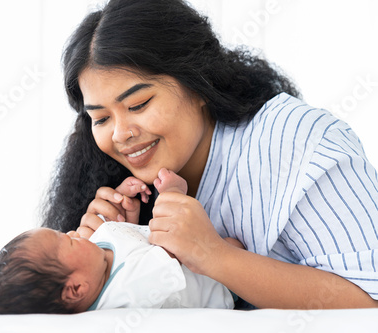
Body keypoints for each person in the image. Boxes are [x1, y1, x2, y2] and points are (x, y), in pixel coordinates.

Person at [41, 0, 378, 309]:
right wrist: (116, 257)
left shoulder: (301, 142)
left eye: (138, 104)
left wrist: (213, 255)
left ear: (199, 83)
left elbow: (369, 301)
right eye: (100, 119)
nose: (120, 134)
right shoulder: (126, 197)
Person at [0, 169, 235, 314]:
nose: (72, 233)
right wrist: (174, 195)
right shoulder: (127, 292)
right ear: (76, 289)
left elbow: (121, 230)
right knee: (235, 246)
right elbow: (172, 248)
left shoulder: (95, 259)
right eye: (67, 242)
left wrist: (125, 198)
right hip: (217, 284)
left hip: (197, 251)